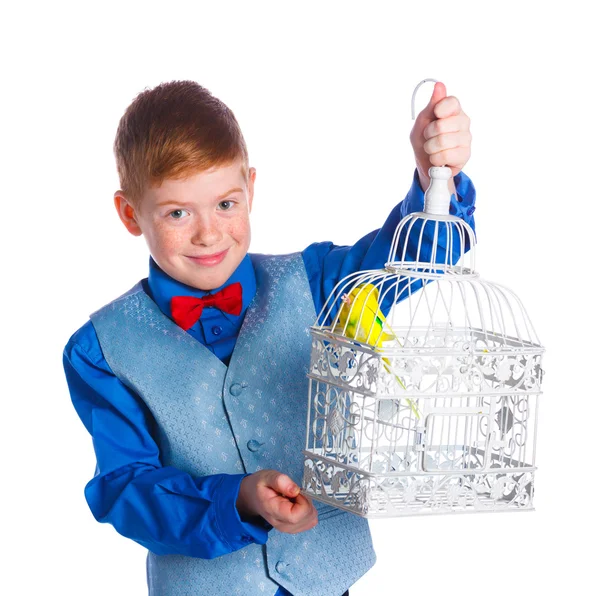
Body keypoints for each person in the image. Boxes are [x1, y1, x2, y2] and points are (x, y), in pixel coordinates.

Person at [63, 79, 474, 596]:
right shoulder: (100, 349)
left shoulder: (316, 280)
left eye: (226, 204)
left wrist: (438, 177)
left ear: (251, 189)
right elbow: (126, 489)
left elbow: (413, 257)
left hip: (328, 581)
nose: (208, 234)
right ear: (130, 214)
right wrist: (236, 500)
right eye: (177, 213)